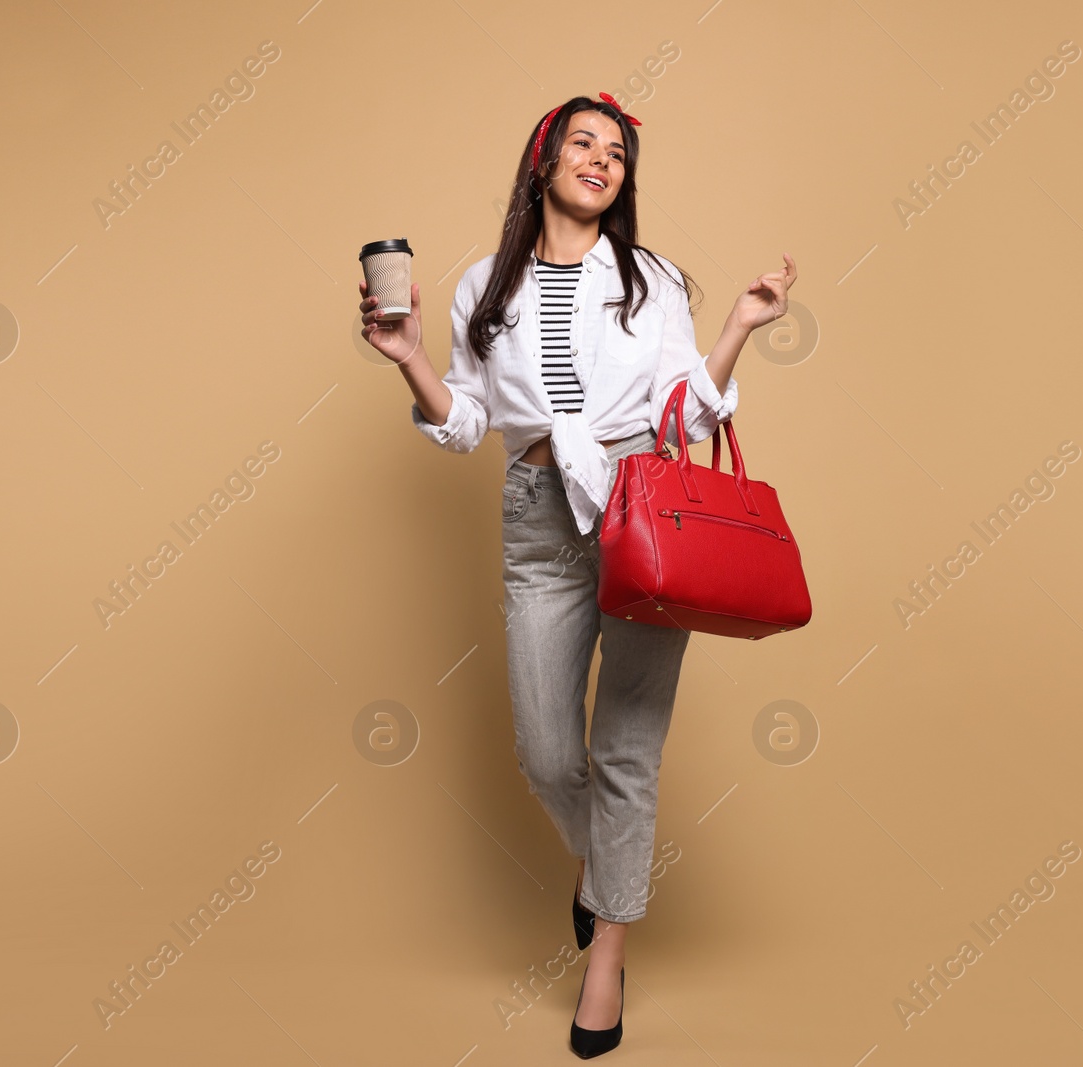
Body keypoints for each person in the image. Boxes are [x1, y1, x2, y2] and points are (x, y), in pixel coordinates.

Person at [360, 92, 795, 1058]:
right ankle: (607, 878)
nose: (602, 161)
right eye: (583, 145)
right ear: (542, 161)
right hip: (537, 519)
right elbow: (468, 425)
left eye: (617, 153)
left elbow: (685, 414)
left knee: (628, 752)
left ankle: (608, 956)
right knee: (549, 753)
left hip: (644, 511)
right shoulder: (484, 285)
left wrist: (737, 326)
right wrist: (406, 358)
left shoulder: (652, 279)